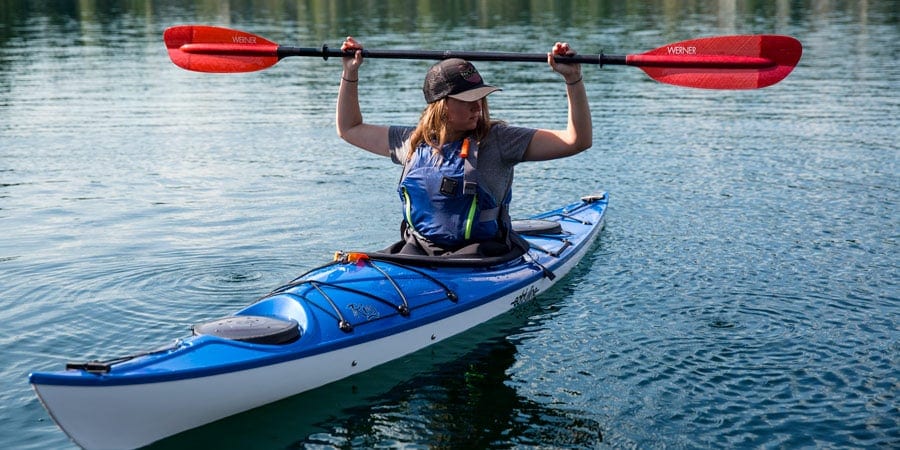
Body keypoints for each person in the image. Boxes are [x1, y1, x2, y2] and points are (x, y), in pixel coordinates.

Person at [336, 37, 592, 259]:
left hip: (483, 255)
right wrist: (350, 72)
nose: (478, 106)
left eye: (480, 98)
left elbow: (576, 140)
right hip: (419, 251)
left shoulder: (499, 141)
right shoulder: (412, 142)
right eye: (468, 100)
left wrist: (573, 79)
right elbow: (349, 128)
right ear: (441, 105)